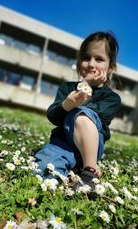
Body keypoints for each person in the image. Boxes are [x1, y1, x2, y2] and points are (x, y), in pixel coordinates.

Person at [35, 31, 121, 186]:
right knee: (43, 165)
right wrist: (66, 104)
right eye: (86, 58)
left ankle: (90, 171)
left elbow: (97, 118)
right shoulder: (67, 88)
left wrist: (85, 86)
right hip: (62, 143)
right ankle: (66, 177)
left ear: (110, 68)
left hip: (90, 149)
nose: (91, 64)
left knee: (83, 115)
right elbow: (53, 116)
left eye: (99, 59)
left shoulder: (112, 98)